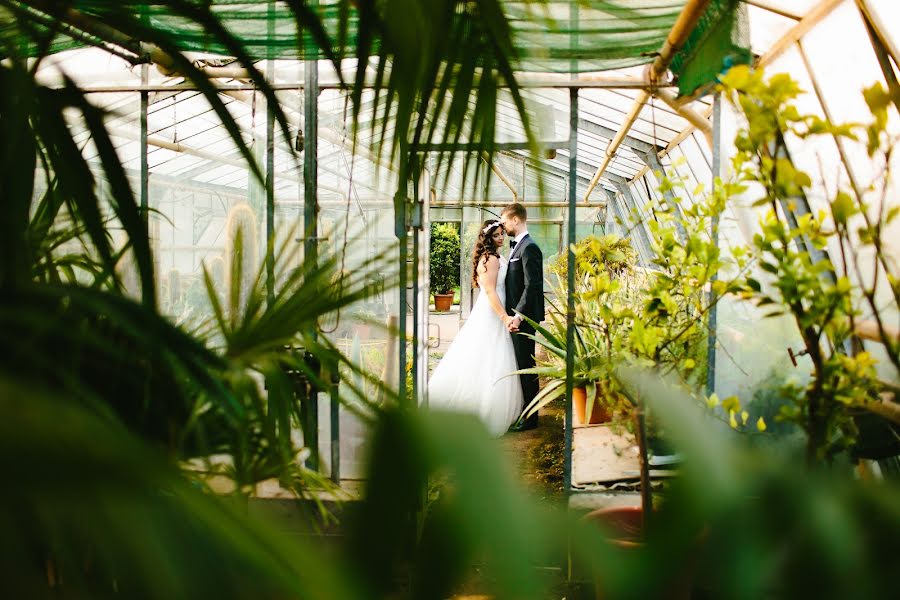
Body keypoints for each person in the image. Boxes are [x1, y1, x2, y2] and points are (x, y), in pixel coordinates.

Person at [426, 220, 523, 437]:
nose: (500, 238)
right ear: (487, 238)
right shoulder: (490, 259)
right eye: (496, 235)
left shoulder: (495, 257)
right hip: (492, 312)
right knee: (487, 357)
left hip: (496, 310)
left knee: (489, 357)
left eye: (501, 234)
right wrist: (504, 317)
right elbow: (489, 292)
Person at [499, 202, 544, 431]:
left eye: (505, 221)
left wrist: (518, 316)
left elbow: (532, 286)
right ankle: (525, 412)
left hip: (522, 320)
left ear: (516, 219)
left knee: (526, 367)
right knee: (520, 365)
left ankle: (531, 418)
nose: (504, 225)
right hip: (514, 319)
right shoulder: (517, 247)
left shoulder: (529, 247)